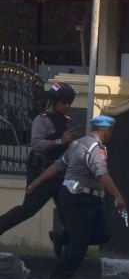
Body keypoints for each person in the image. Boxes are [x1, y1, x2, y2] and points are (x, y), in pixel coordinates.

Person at [27, 115, 126, 279]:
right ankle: (57, 278)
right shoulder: (96, 148)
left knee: (103, 234)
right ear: (107, 132)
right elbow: (102, 174)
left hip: (82, 197)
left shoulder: (78, 143)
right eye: (111, 132)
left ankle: (62, 237)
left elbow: (59, 165)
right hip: (80, 198)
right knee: (79, 243)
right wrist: (118, 195)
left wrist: (38, 180)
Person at [0, 82, 78, 256]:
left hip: (61, 172)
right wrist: (59, 141)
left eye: (69, 103)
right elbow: (36, 144)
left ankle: (63, 242)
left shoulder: (66, 121)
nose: (67, 106)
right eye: (64, 102)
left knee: (69, 212)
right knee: (28, 209)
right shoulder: (42, 120)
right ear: (55, 102)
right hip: (42, 171)